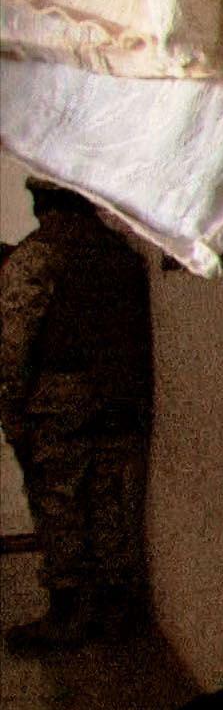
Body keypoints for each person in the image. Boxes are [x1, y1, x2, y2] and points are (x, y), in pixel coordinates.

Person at [0, 180, 153, 652]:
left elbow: (14, 342)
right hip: (121, 399)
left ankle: (67, 613)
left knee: (59, 500)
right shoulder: (122, 256)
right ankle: (115, 610)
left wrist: (11, 408)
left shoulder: (37, 255)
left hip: (60, 399)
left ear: (42, 204)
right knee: (111, 503)